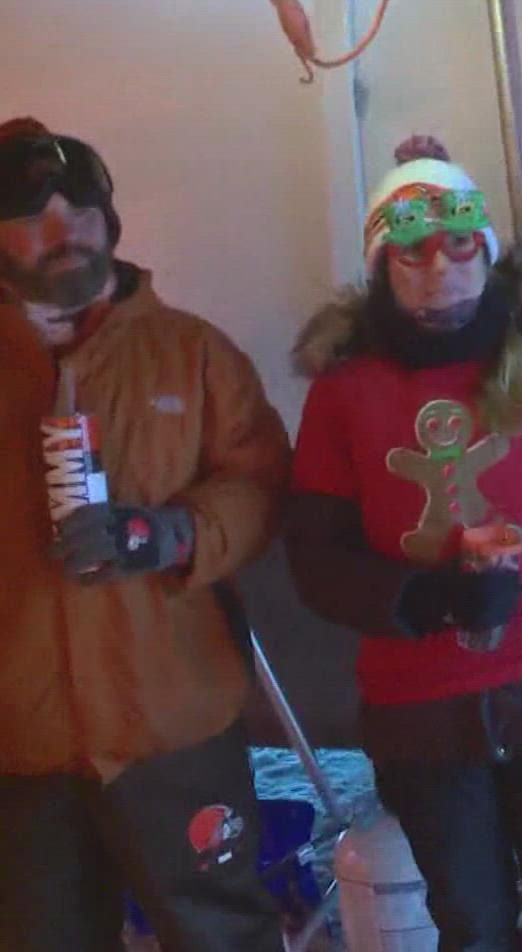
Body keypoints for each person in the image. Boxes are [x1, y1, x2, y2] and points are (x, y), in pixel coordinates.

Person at [286, 136, 522, 951]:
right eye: (411, 250)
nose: (437, 268)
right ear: (382, 264)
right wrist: (420, 599)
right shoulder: (343, 396)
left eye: (460, 245)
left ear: (486, 252)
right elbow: (316, 559)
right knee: (470, 922)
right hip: (421, 716)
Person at [0, 117, 292, 950]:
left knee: (222, 934)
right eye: (34, 216)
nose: (66, 234)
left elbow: (262, 482)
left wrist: (172, 534)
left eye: (82, 209)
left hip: (173, 724)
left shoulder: (191, 351)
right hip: (20, 741)